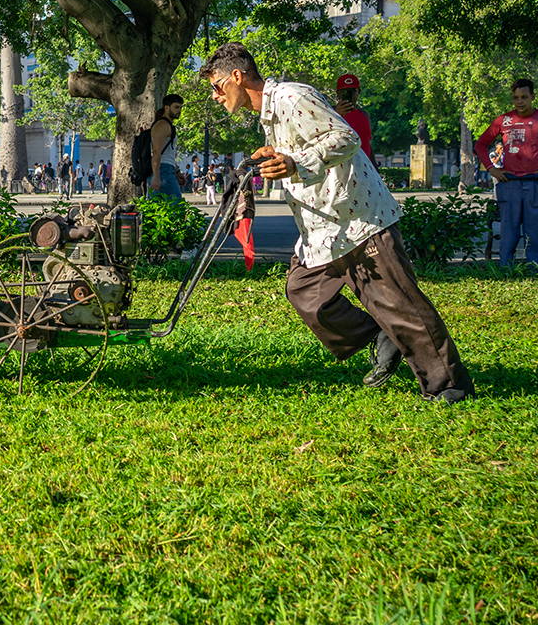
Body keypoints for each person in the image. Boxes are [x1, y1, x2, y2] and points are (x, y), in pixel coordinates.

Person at [201, 41, 475, 404]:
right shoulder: (270, 115)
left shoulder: (291, 97)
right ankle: (378, 334)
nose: (217, 96)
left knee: (400, 305)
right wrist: (277, 154)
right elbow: (305, 143)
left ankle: (449, 383)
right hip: (323, 229)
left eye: (217, 87)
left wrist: (296, 162)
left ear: (237, 76)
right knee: (305, 292)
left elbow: (346, 136)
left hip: (358, 217)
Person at [475, 78, 538, 268]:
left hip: (535, 183)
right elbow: (480, 144)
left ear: (532, 97)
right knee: (508, 230)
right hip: (509, 183)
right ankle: (506, 270)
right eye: (515, 98)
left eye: (524, 97)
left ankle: (534, 270)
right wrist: (491, 168)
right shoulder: (503, 120)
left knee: (534, 231)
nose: (519, 101)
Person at [147, 93, 184, 201]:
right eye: (176, 107)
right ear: (167, 108)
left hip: (167, 169)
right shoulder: (162, 125)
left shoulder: (167, 125)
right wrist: (157, 177)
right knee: (176, 208)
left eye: (181, 107)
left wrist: (177, 171)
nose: (179, 110)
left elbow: (167, 152)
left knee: (158, 210)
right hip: (162, 171)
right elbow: (156, 152)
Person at [334, 73, 374, 161]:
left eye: (353, 91)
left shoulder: (364, 115)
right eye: (345, 91)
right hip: (341, 170)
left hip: (364, 171)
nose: (350, 95)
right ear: (338, 93)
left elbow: (367, 144)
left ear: (359, 92)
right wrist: (337, 114)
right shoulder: (329, 113)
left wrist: (376, 171)